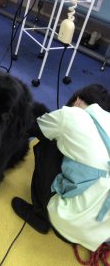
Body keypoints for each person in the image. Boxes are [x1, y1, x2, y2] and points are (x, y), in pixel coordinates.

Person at [11, 84, 110, 251]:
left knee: (49, 141)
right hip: (98, 235)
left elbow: (31, 128)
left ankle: (40, 215)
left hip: (65, 225)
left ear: (77, 100)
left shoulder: (71, 114)